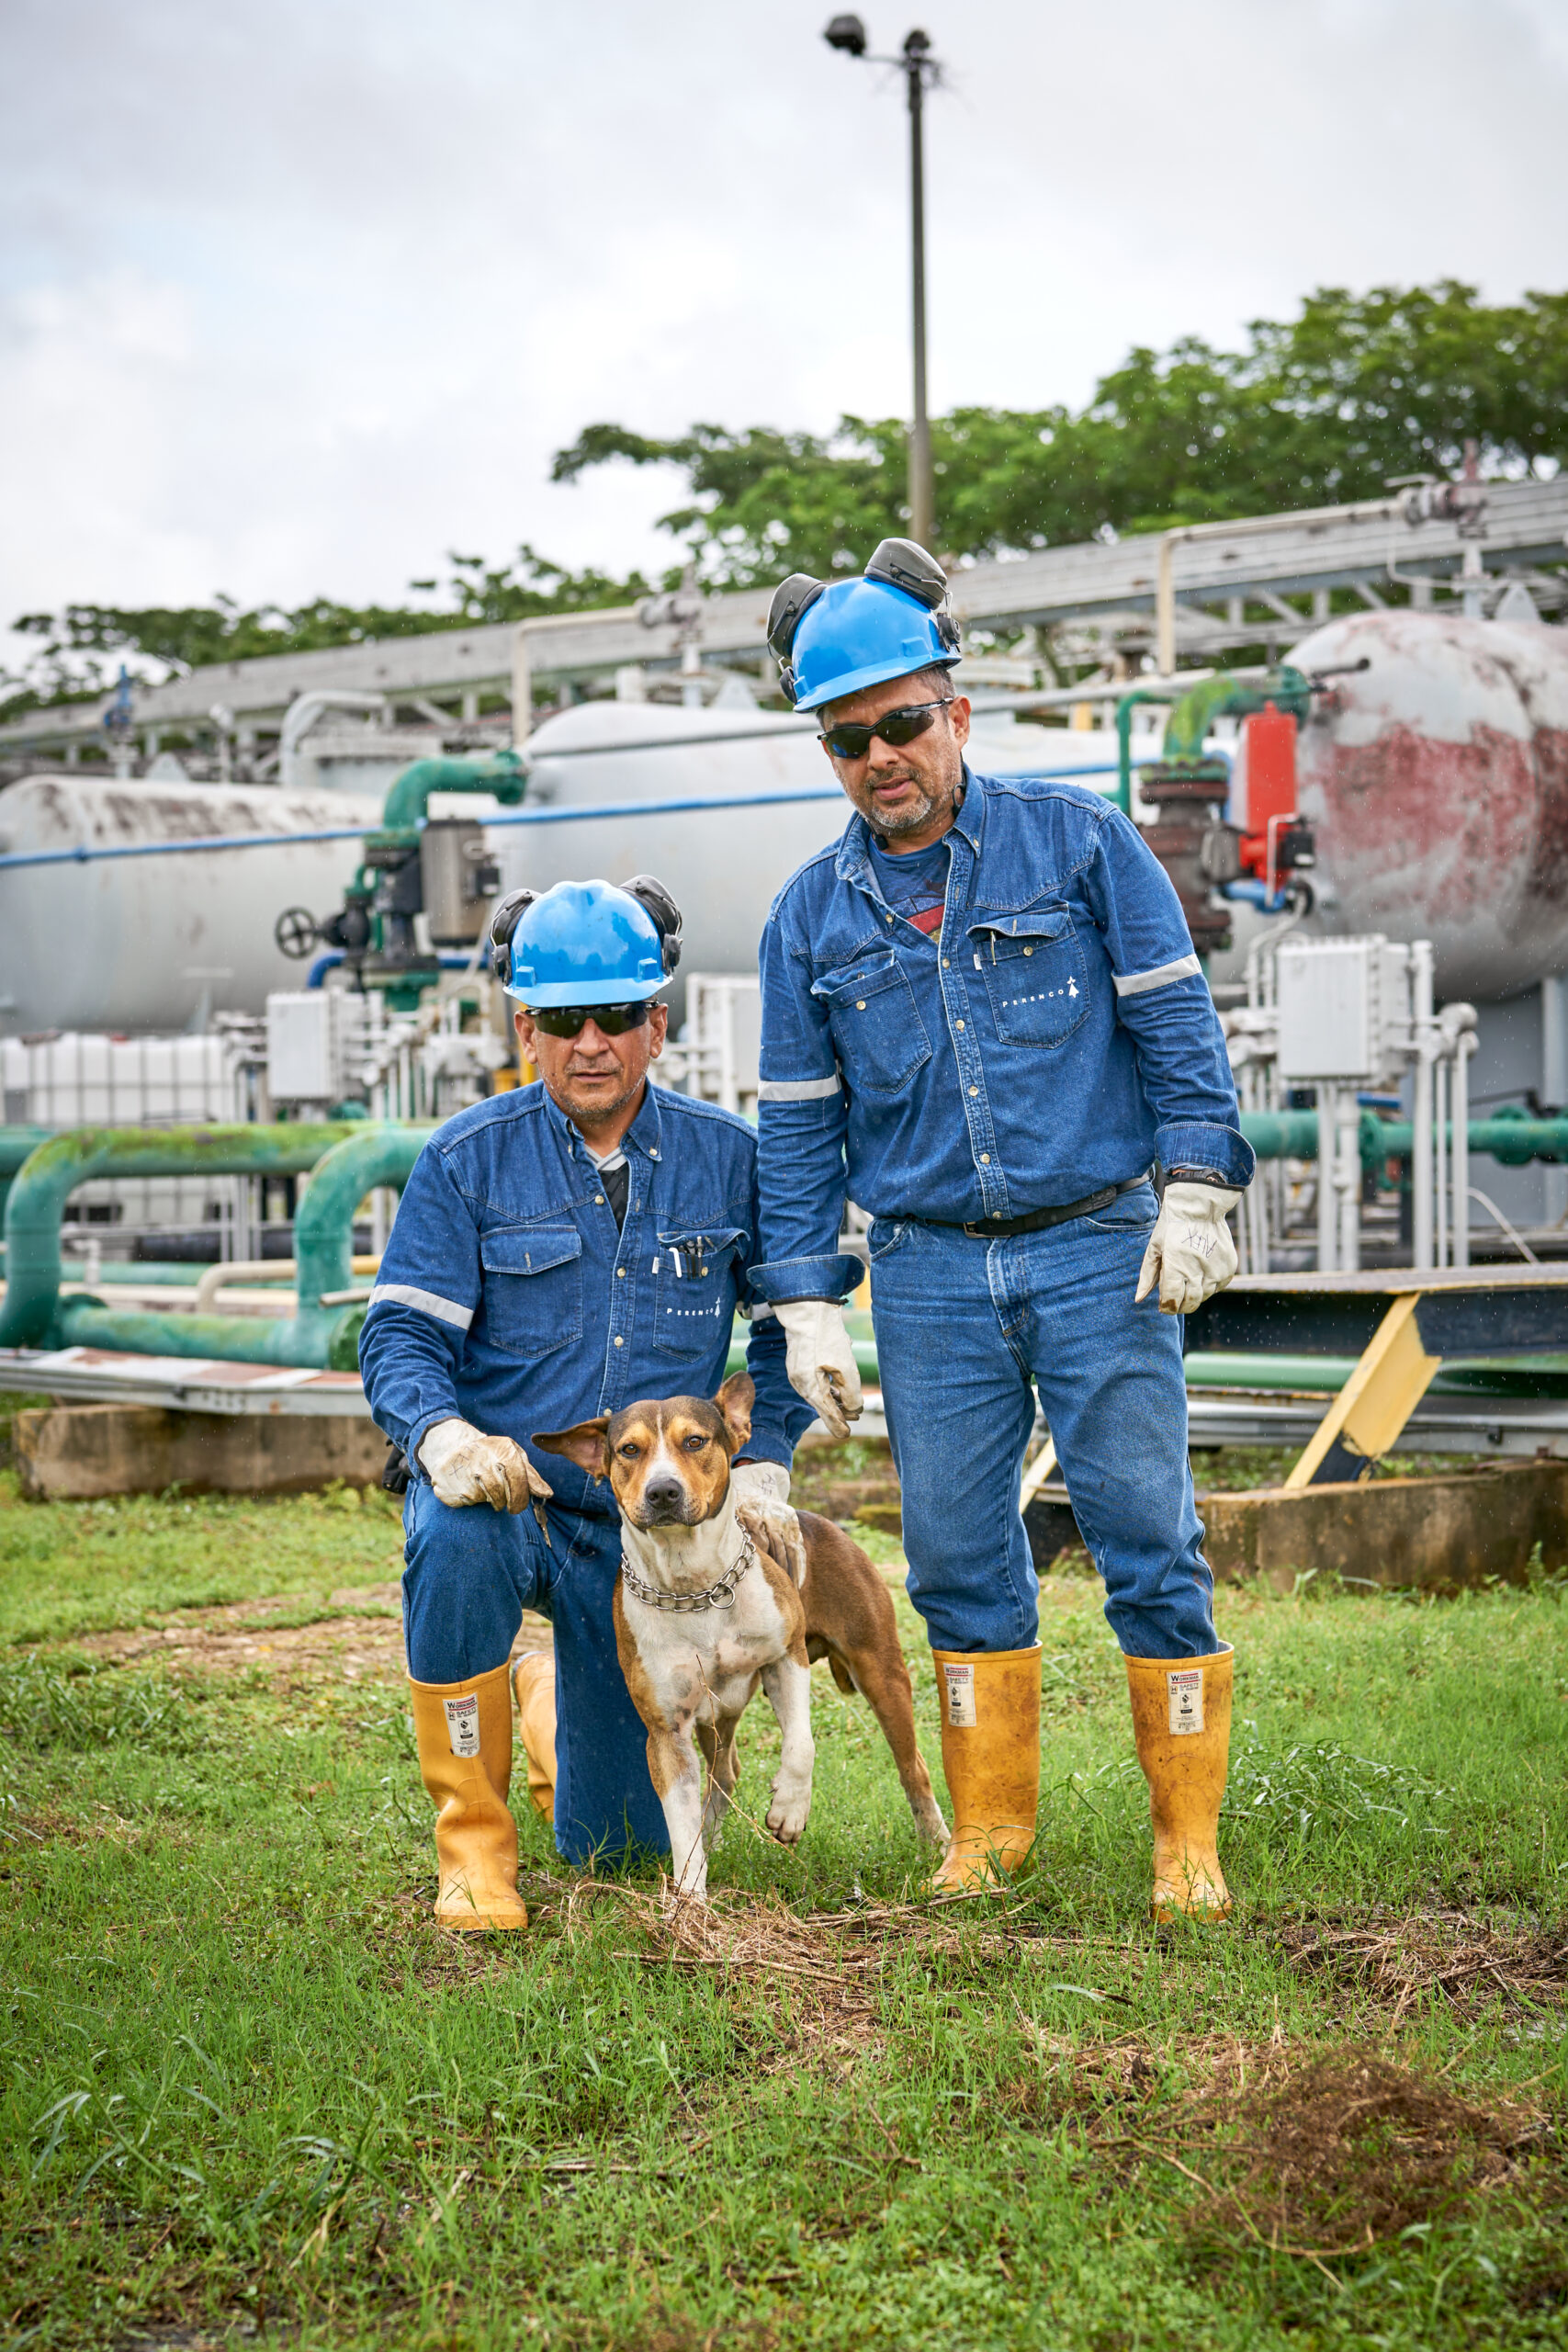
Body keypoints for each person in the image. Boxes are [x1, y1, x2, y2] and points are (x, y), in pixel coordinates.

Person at [751, 539, 1255, 1918]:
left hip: (1099, 1247)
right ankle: (987, 1838)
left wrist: (1199, 1185)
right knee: (960, 1561)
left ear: (954, 710)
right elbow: (797, 1126)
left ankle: (1183, 1845)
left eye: (901, 722)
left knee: (1146, 1539)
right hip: (925, 1276)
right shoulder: (808, 919)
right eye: (846, 737)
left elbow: (1171, 1022)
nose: (879, 756)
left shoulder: (1079, 843)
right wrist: (804, 1300)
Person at [359, 877, 813, 1929]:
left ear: (661, 1021)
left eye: (618, 1016)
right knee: (455, 1538)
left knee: (614, 1849)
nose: (591, 1041)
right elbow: (401, 1333)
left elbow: (787, 1329)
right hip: (518, 1497)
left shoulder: (726, 1159)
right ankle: (473, 1850)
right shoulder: (467, 1161)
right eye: (562, 1020)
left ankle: (550, 1692)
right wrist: (443, 1434)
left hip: (648, 1545)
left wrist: (765, 1454)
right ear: (526, 1029)